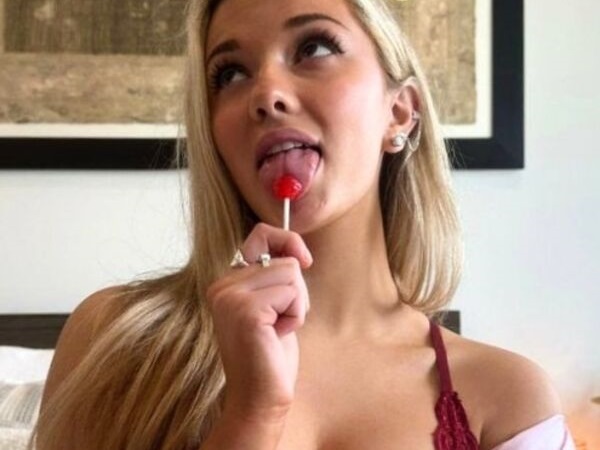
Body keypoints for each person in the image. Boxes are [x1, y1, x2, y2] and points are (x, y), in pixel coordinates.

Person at [34, 0, 575, 449]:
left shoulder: (508, 399)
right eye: (230, 73)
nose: (266, 94)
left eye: (313, 47)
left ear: (400, 113)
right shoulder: (116, 342)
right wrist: (253, 413)